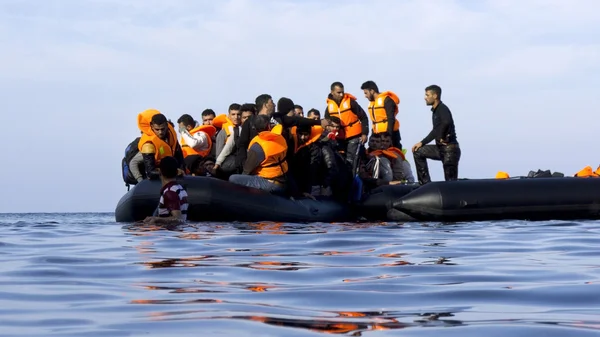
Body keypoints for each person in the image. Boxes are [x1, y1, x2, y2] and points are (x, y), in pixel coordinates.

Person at [411, 84, 461, 184]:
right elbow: (435, 130)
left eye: (427, 95)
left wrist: (442, 136)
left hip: (450, 150)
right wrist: (422, 142)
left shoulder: (442, 108)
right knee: (418, 151)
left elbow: (446, 122)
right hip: (440, 149)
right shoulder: (436, 111)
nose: (425, 98)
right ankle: (425, 184)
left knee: (451, 182)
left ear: (435, 96)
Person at [229, 115, 289, 193]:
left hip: (271, 184)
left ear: (254, 128)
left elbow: (247, 171)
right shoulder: (280, 138)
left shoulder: (257, 146)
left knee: (233, 178)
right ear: (269, 126)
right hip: (283, 179)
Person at [325, 82, 370, 169]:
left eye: (342, 92)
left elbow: (364, 117)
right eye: (338, 92)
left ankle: (353, 179)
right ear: (332, 92)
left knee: (351, 160)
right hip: (339, 138)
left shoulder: (351, 102)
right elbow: (326, 124)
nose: (341, 94)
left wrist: (365, 133)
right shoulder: (329, 107)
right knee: (340, 159)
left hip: (354, 136)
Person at [137, 109, 185, 180]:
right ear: (152, 126)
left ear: (167, 125)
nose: (160, 132)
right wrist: (173, 172)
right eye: (157, 129)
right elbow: (151, 172)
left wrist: (182, 169)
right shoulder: (148, 144)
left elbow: (179, 155)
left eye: (163, 129)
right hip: (158, 174)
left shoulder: (172, 133)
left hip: (172, 166)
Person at [143, 156, 189, 225]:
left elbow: (178, 218)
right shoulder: (179, 188)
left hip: (169, 234)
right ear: (177, 172)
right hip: (178, 233)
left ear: (159, 172)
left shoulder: (170, 192)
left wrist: (157, 219)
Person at [360, 80, 402, 149]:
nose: (365, 96)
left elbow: (391, 118)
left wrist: (389, 135)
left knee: (394, 155)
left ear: (372, 91)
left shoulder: (387, 100)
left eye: (366, 93)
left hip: (390, 134)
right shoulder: (371, 103)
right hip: (376, 135)